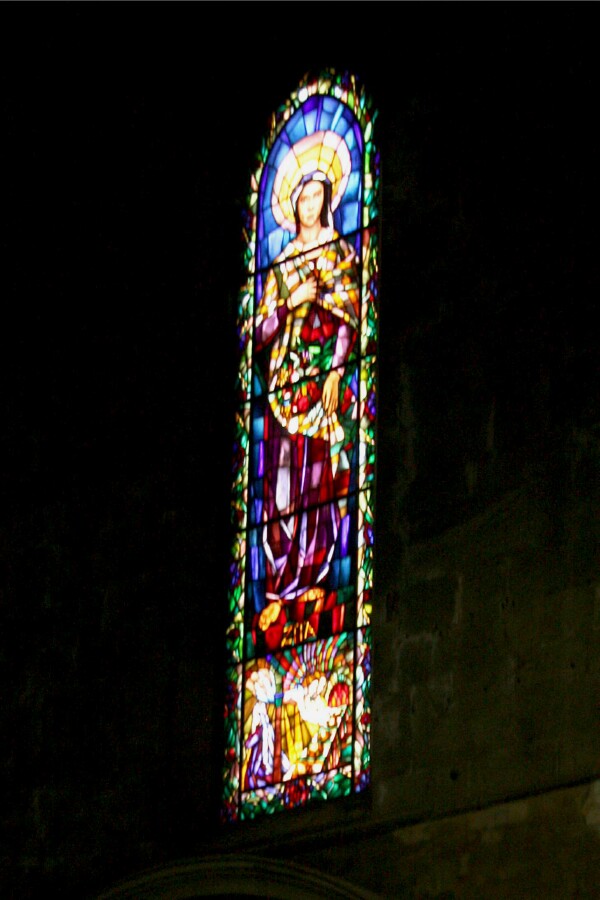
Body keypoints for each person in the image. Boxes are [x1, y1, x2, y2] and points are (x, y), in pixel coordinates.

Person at [252, 171, 360, 653]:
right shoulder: (279, 265)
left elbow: (349, 318)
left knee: (316, 484)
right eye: (303, 198)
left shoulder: (340, 254)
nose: (310, 204)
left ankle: (314, 578)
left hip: (320, 393)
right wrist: (288, 304)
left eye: (318, 195)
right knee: (280, 492)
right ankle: (278, 590)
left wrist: (336, 372)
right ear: (293, 204)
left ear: (327, 199)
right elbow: (257, 335)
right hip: (283, 392)